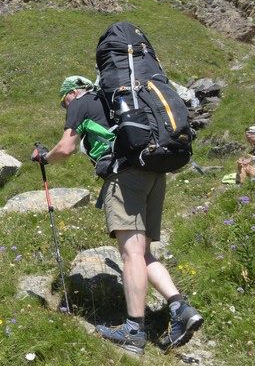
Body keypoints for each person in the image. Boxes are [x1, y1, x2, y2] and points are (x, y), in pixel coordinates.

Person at [31, 75, 203, 354]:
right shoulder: (116, 100)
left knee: (131, 253)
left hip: (125, 175)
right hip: (154, 170)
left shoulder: (81, 101)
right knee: (144, 251)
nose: (66, 108)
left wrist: (43, 158)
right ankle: (180, 308)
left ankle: (134, 330)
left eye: (64, 102)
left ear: (71, 92)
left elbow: (66, 148)